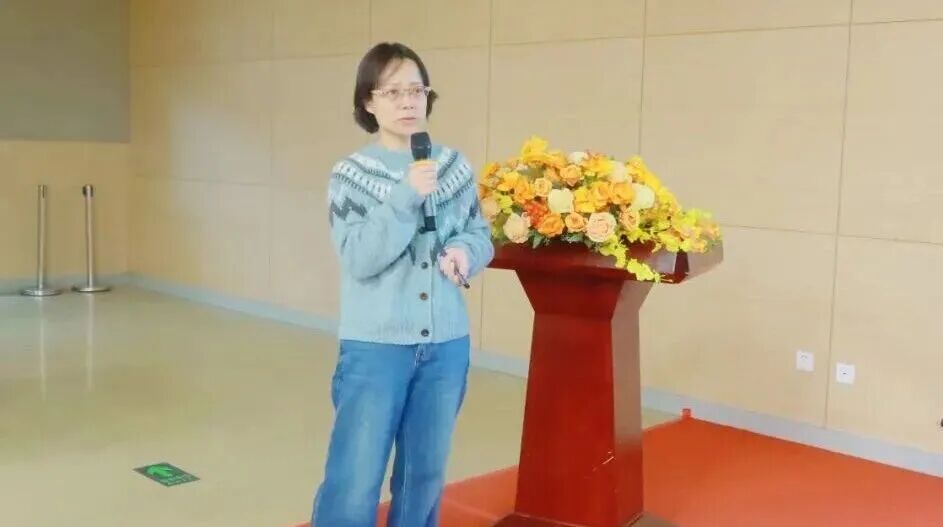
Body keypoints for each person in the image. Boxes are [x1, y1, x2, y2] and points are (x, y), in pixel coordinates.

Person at [311, 42, 494, 527]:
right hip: (376, 345)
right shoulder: (351, 175)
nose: (408, 102)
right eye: (392, 92)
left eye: (416, 90)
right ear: (368, 102)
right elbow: (359, 257)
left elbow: (479, 234)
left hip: (446, 344)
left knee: (424, 476)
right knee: (355, 477)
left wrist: (465, 253)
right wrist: (405, 196)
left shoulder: (452, 166)